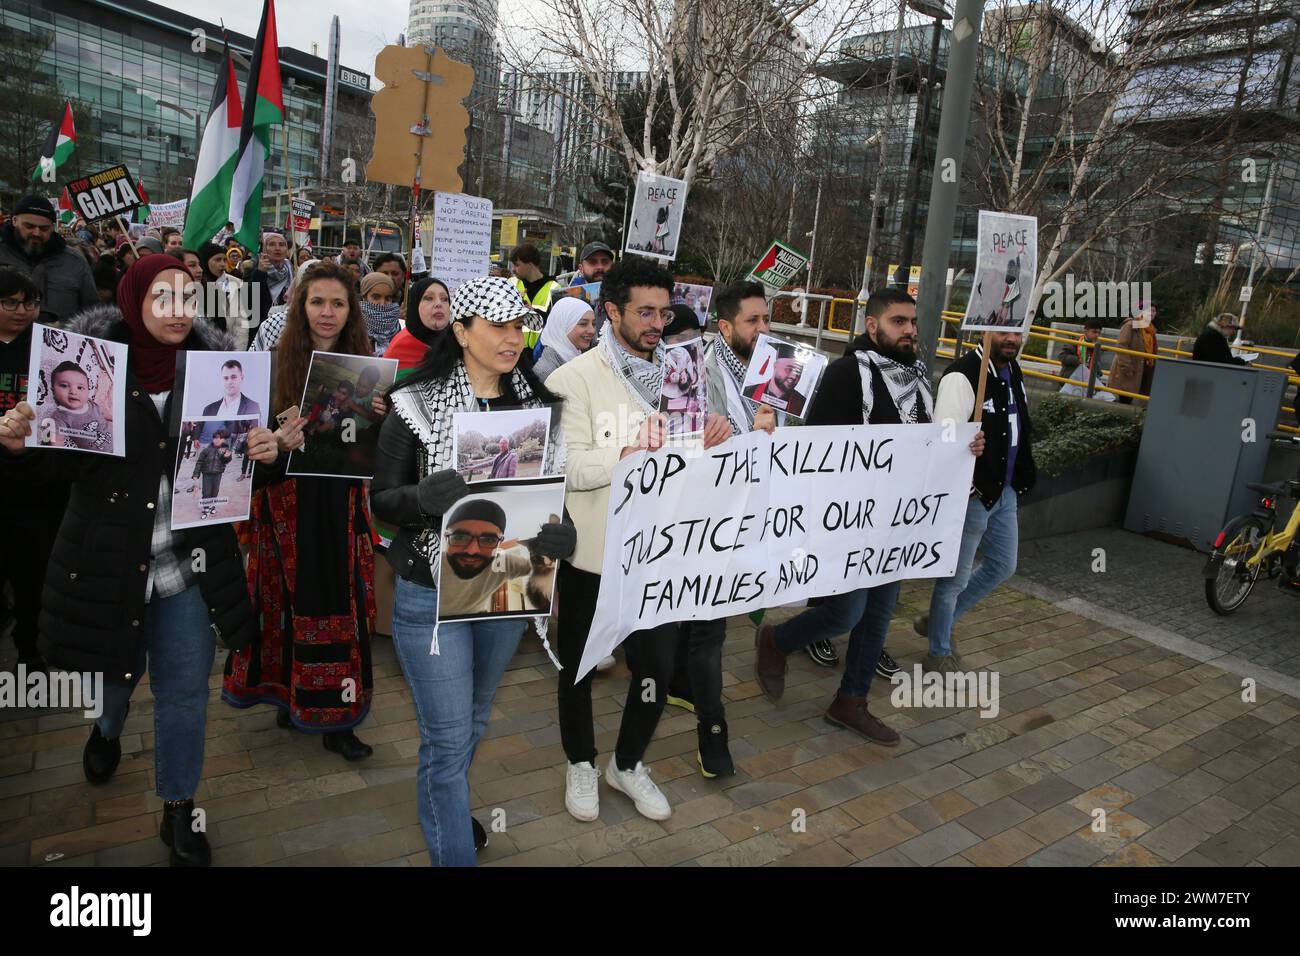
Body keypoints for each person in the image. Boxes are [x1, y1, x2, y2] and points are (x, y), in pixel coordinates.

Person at [0, 254, 283, 866]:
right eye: (163, 296)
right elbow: (58, 474)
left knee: (184, 693)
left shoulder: (218, 375)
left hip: (187, 569)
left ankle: (178, 808)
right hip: (107, 565)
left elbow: (237, 482)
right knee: (114, 682)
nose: (179, 309)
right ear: (133, 300)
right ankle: (105, 730)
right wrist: (26, 446)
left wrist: (265, 454)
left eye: (188, 296)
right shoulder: (86, 370)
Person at [372, 274, 574, 865]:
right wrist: (422, 501)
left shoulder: (540, 409)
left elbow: (545, 499)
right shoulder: (413, 403)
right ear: (461, 332)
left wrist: (559, 534)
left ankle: (448, 803)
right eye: (499, 326)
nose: (513, 338)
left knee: (474, 719)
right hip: (431, 595)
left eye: (520, 327)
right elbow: (381, 499)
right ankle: (451, 840)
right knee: (448, 737)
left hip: (511, 583)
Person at [546, 255, 732, 822]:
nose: (657, 322)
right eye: (644, 311)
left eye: (664, 311)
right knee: (578, 664)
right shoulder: (571, 379)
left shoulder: (689, 371)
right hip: (594, 553)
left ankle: (626, 764)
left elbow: (707, 455)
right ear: (612, 311)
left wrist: (720, 436)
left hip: (665, 555)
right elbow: (568, 468)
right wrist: (627, 454)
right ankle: (580, 761)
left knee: (654, 667)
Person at [755, 289, 987, 741]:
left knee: (879, 616)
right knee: (846, 612)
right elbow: (817, 450)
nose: (910, 331)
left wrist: (962, 445)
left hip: (896, 524)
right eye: (899, 322)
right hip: (849, 523)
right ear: (872, 326)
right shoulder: (846, 374)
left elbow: (926, 443)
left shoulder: (918, 376)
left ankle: (851, 700)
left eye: (914, 322)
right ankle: (777, 640)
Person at [223, 260, 387, 761]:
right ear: (301, 306)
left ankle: (340, 717)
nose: (327, 312)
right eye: (317, 301)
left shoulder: (369, 366)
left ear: (350, 310)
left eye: (338, 303)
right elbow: (241, 452)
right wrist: (273, 442)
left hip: (340, 509)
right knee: (289, 607)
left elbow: (375, 455)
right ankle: (291, 694)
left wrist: (381, 418)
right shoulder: (273, 366)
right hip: (286, 509)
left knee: (343, 609)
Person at [914, 329, 1037, 672]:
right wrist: (964, 443)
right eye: (1003, 331)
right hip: (973, 494)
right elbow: (943, 437)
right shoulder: (962, 375)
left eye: (1017, 330)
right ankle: (938, 652)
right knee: (954, 579)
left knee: (1003, 565)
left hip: (1006, 491)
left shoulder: (1014, 371)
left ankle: (940, 620)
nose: (1012, 338)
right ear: (985, 331)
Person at [0, 267, 69, 669]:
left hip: (39, 481)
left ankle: (31, 650)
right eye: (10, 302)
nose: (22, 311)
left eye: (30, 302)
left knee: (34, 576)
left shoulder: (49, 347)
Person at [0, 194, 97, 325]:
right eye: (29, 226)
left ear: (53, 227)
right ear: (14, 221)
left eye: (44, 228)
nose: (36, 233)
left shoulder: (75, 261)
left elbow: (92, 313)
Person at [385, 277, 452, 380]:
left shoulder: (460, 342)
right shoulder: (400, 347)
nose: (439, 304)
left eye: (445, 299)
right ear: (415, 305)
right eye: (429, 298)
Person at [37, 361, 111, 451]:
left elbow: (103, 415)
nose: (73, 391)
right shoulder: (60, 416)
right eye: (64, 386)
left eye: (80, 387)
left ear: (88, 391)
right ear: (53, 391)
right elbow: (55, 441)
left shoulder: (90, 403)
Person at [532, 296, 596, 382]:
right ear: (562, 325)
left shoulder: (576, 355)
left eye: (594, 324)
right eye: (583, 324)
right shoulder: (546, 373)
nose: (592, 330)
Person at [1110, 300, 1159, 402]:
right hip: (1129, 369)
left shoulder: (1151, 330)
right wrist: (1127, 367)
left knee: (1135, 400)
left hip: (1142, 368)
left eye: (1154, 311)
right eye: (1149, 310)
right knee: (1124, 399)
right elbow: (1121, 345)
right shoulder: (1131, 325)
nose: (1152, 313)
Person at [744, 340, 807, 417]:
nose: (794, 376)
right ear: (775, 366)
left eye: (798, 372)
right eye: (789, 369)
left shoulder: (803, 405)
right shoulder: (748, 392)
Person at [249, 231, 293, 330]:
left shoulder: (291, 271)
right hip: (261, 328)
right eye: (272, 244)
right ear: (264, 249)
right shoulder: (253, 270)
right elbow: (251, 304)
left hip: (286, 328)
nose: (277, 248)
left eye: (281, 244)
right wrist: (260, 274)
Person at [200, 357, 261, 424]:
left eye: (233, 377)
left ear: (242, 378)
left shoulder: (252, 406)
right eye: (226, 378)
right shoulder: (208, 410)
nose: (229, 382)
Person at [189, 427, 233, 520]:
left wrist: (226, 457)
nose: (218, 440)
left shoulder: (225, 449)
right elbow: (199, 462)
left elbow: (226, 461)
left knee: (215, 491)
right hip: (207, 475)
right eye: (216, 438)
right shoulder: (206, 450)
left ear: (223, 439)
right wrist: (196, 475)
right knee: (206, 492)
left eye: (220, 438)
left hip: (218, 474)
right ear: (213, 439)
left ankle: (212, 506)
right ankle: (205, 509)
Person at [510, 243, 561, 316]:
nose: (513, 269)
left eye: (517, 265)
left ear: (530, 265)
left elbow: (556, 320)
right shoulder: (511, 283)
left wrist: (534, 311)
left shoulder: (555, 288)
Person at [359, 272, 402, 357]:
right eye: (376, 297)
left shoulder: (399, 327)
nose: (382, 303)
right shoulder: (352, 326)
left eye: (387, 298)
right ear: (364, 297)